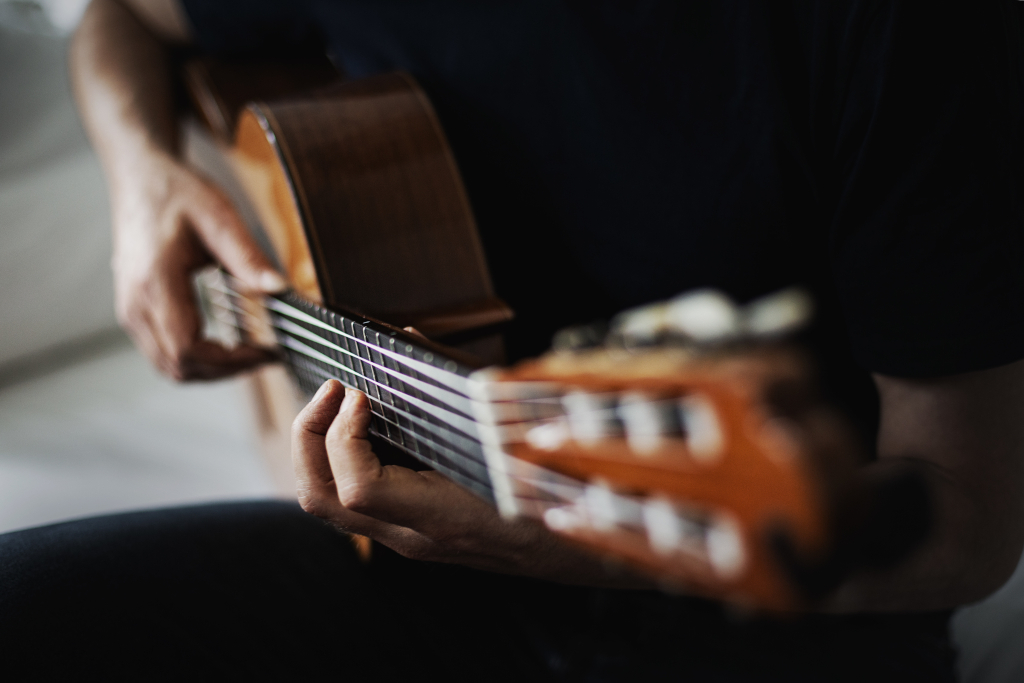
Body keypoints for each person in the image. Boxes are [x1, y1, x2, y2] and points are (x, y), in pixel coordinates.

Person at [1, 0, 1023, 680]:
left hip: (774, 618)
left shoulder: (909, 31)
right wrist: (143, 182)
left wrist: (551, 540)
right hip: (419, 573)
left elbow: (968, 523)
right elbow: (118, 18)